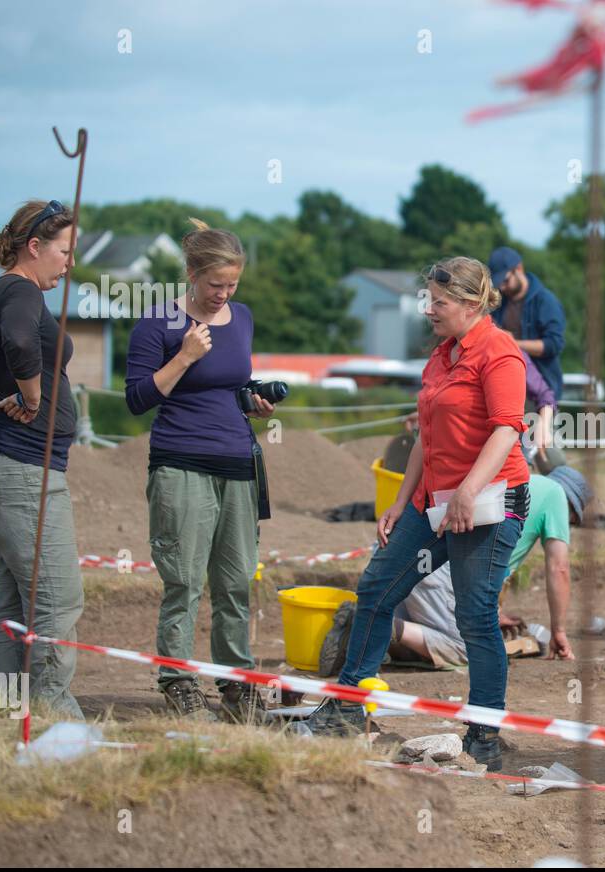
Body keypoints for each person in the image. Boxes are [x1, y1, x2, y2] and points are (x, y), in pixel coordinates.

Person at [307, 257, 530, 771]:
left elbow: (505, 430)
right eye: (428, 299)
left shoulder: (500, 352)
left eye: (440, 302)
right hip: (434, 503)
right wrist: (402, 500)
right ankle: (346, 706)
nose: (429, 309)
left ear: (473, 304)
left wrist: (471, 492)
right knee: (376, 589)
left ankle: (485, 732)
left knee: (474, 616)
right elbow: (425, 439)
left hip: (492, 504)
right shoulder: (440, 355)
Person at [125, 219, 276, 722]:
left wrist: (251, 401)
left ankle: (237, 684)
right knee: (184, 581)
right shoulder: (156, 325)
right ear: (191, 273)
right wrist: (185, 356)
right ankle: (178, 681)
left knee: (235, 584)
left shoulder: (244, 317)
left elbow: (230, 382)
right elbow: (138, 399)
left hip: (237, 462)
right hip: (180, 463)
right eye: (215, 285)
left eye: (232, 285)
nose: (224, 294)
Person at [0, 199, 84, 718]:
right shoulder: (18, 290)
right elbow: (17, 341)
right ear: (34, 247)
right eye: (64, 251)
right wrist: (33, 398)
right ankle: (56, 723)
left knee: (14, 601)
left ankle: (15, 721)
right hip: (19, 468)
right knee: (57, 599)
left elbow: (19, 342)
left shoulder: (8, 290)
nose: (69, 262)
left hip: (4, 463)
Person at [390, 467, 591, 667]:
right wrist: (559, 632)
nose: (569, 525)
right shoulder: (555, 494)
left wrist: (489, 614)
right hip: (443, 574)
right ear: (570, 506)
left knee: (415, 650)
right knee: (476, 650)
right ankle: (389, 627)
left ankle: (378, 625)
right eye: (572, 520)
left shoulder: (519, 480)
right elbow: (559, 568)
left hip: (416, 560)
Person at [489, 246, 566, 401]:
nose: (502, 288)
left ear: (519, 268)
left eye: (505, 281)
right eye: (499, 284)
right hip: (506, 391)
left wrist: (511, 343)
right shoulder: (498, 303)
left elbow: (554, 344)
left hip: (540, 395)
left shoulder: (545, 300)